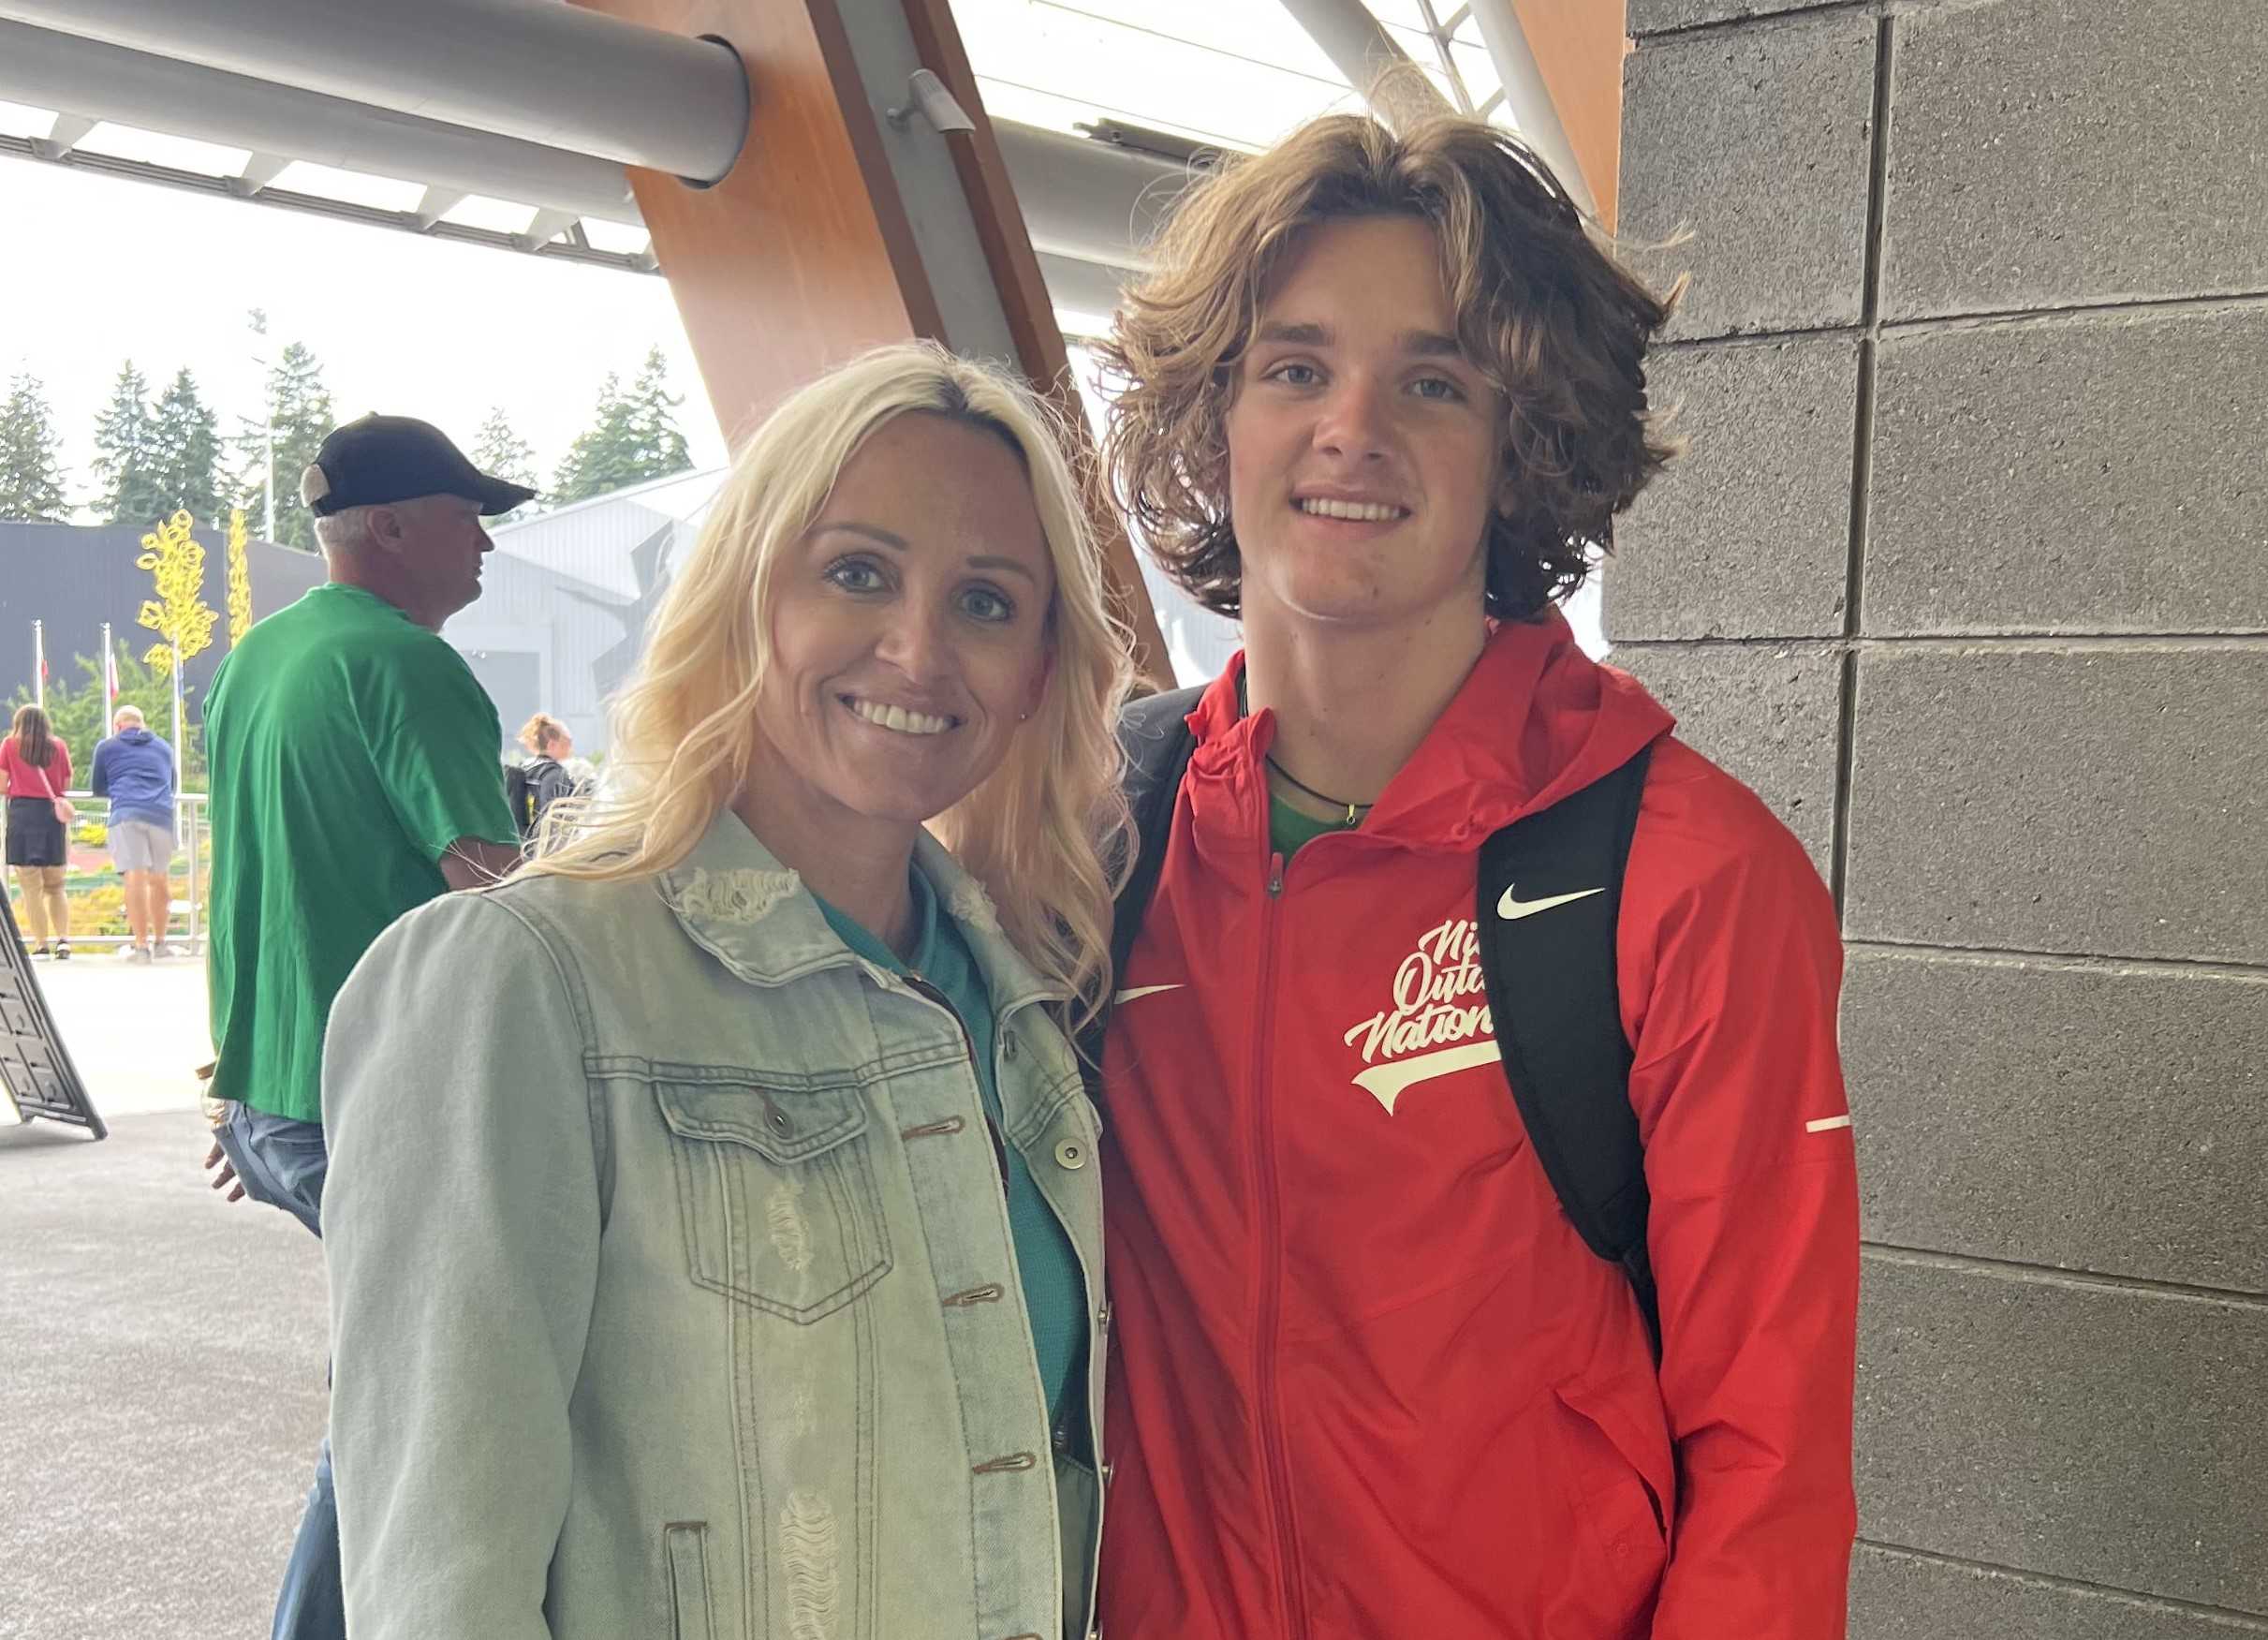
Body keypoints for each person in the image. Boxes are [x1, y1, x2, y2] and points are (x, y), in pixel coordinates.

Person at [1090, 114, 1861, 1638]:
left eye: (1431, 382)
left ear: (1519, 450)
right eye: (1293, 368)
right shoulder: (1101, 836)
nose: (1350, 428)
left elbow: (1768, 1463)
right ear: (1214, 421)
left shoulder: (1684, 879)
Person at [319, 343, 1128, 1640]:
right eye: (856, 572)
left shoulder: (1023, 993)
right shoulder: (523, 983)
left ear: (1040, 665)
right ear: (749, 592)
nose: (918, 648)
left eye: (986, 601)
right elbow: (439, 1584)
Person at [200, 412, 534, 1640]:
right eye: (467, 514)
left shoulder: (258, 659)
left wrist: (244, 1091)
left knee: (405, 1385)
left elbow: (254, 882)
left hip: (285, 1097)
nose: (487, 542)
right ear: (390, 528)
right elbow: (499, 895)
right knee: (410, 1402)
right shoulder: (407, 663)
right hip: (372, 1100)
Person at [90, 703, 178, 961]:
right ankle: (161, 943)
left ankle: (141, 947)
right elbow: (172, 784)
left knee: (135, 878)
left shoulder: (107, 747)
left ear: (118, 726)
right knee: (160, 878)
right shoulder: (163, 747)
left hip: (126, 814)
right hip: (161, 814)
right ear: (143, 724)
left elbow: (98, 787)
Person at [2, 703, 74, 960]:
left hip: (22, 816)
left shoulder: (10, 745)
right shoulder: (59, 746)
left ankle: (41, 944)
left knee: (31, 887)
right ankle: (63, 941)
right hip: (51, 818)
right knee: (56, 885)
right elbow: (66, 783)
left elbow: (2, 784)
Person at [504, 711, 585, 840]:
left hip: (519, 844)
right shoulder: (556, 774)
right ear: (552, 744)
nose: (571, 746)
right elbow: (551, 821)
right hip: (541, 849)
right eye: (567, 741)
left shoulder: (523, 767)